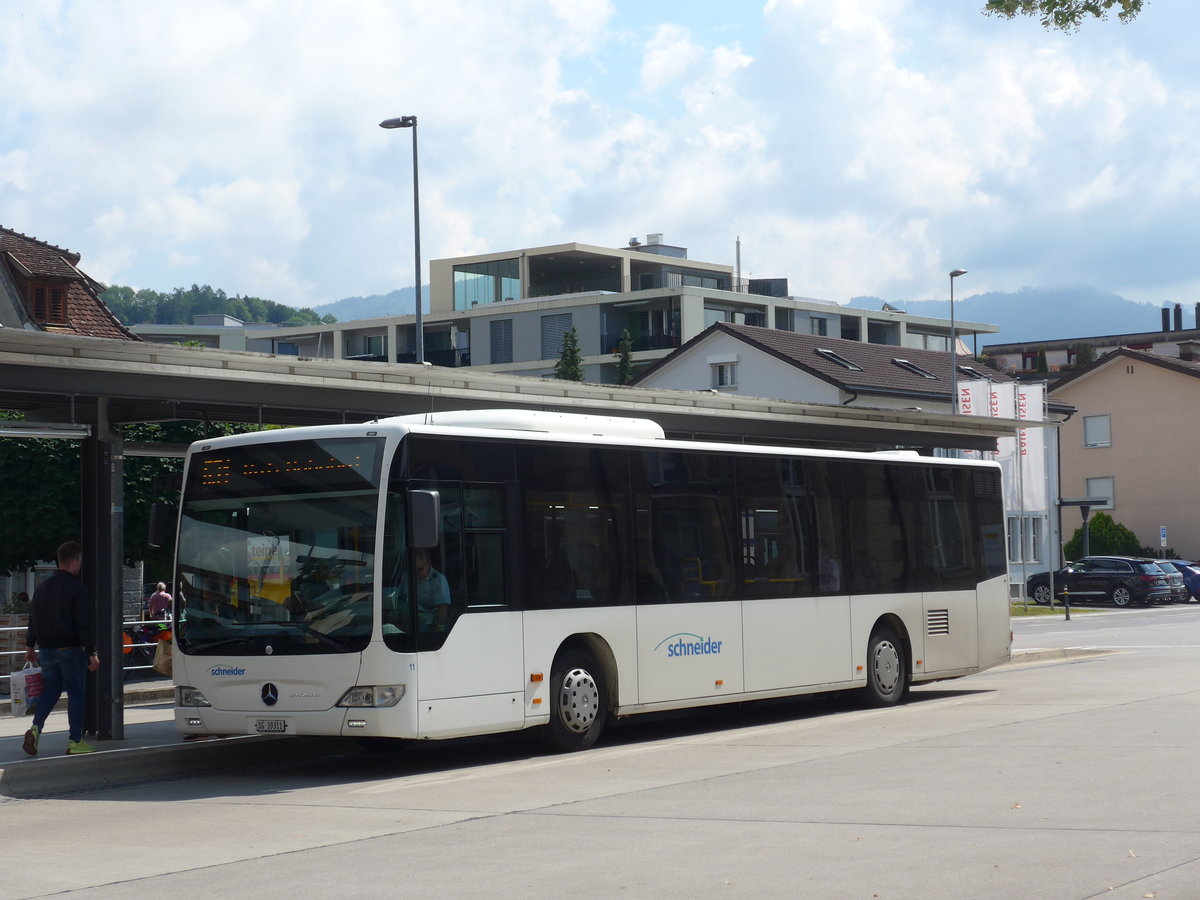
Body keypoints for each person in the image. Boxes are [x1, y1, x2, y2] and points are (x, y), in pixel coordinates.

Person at [22, 541, 100, 756]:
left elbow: (33, 619)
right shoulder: (78, 588)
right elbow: (84, 623)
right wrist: (91, 652)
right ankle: (75, 741)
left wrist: (30, 645)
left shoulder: (42, 587)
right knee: (76, 694)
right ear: (75, 561)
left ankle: (36, 728)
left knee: (51, 691)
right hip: (70, 649)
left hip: (46, 650)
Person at [408, 549, 451, 630]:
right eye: (413, 570)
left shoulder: (439, 580)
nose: (417, 574)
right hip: (407, 628)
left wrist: (438, 632)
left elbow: (442, 613)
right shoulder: (405, 577)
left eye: (420, 569)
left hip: (429, 628)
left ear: (428, 564)